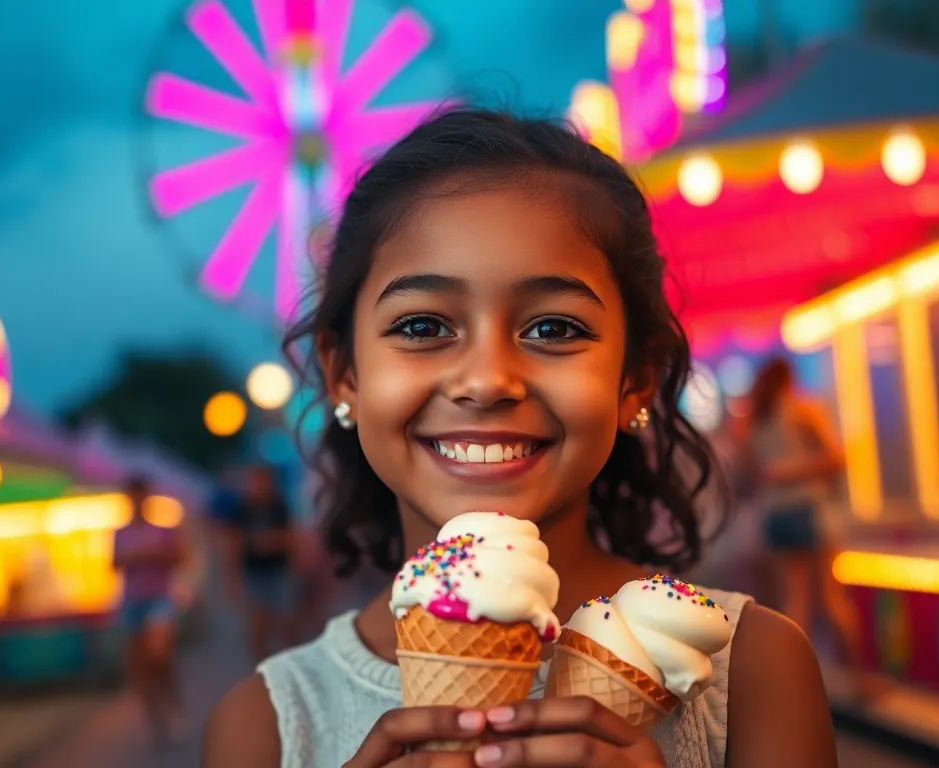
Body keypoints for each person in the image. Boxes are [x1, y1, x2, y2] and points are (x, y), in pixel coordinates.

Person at [203, 108, 835, 768]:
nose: (487, 380)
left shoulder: (753, 669)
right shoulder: (265, 729)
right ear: (343, 376)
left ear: (635, 382)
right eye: (421, 327)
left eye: (554, 329)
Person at [744, 358, 864, 682]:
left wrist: (776, 473)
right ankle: (858, 675)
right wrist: (796, 470)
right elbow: (835, 458)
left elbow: (755, 473)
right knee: (830, 598)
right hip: (807, 509)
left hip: (775, 514)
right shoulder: (801, 411)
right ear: (789, 379)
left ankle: (796, 680)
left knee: (793, 600)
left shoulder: (756, 418)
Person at [113, 475, 189, 748]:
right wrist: (142, 556)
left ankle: (171, 702)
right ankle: (153, 720)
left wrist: (151, 555)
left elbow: (181, 557)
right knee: (139, 665)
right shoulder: (119, 532)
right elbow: (113, 563)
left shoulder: (163, 529)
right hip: (132, 600)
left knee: (160, 655)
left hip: (159, 598)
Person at [211, 464, 300, 662]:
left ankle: (290, 661)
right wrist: (231, 575)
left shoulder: (278, 506)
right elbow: (231, 543)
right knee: (257, 623)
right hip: (253, 572)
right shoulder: (241, 510)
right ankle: (260, 664)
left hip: (278, 570)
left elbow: (291, 536)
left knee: (287, 620)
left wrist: (273, 542)